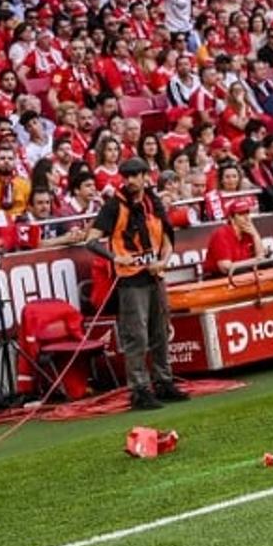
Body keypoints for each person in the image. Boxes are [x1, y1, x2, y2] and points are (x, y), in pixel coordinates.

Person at [90, 157, 189, 412]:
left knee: (160, 331)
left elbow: (167, 236)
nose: (130, 181)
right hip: (130, 278)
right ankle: (139, 389)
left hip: (155, 274)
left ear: (145, 176)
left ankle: (164, 381)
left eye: (135, 175)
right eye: (126, 176)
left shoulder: (153, 202)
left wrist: (164, 261)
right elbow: (91, 240)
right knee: (136, 335)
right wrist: (115, 257)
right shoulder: (114, 206)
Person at [203, 196, 270, 276]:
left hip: (241, 269)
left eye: (247, 213)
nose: (246, 217)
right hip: (218, 276)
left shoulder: (248, 232)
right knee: (249, 275)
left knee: (272, 264)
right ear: (231, 218)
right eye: (241, 214)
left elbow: (261, 257)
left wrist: (255, 235)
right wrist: (254, 261)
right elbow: (225, 268)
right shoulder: (221, 234)